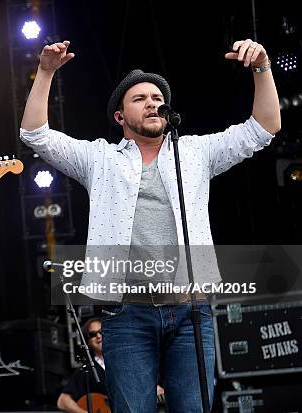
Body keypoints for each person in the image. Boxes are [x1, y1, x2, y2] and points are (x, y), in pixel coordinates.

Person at [20, 39, 279, 413]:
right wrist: (45, 72)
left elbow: (264, 128)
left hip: (191, 309)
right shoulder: (100, 159)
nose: (153, 102)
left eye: (157, 97)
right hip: (126, 312)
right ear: (120, 117)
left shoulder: (194, 154)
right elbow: (35, 135)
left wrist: (262, 67)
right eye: (140, 98)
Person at [57, 317, 107, 413]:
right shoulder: (86, 371)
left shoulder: (125, 363)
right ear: (88, 342)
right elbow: (62, 401)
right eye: (93, 334)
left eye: (101, 331)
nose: (98, 336)